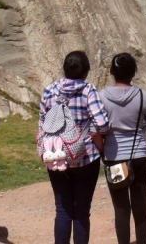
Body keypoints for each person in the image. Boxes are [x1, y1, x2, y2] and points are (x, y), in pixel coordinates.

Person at [40, 51, 110, 244]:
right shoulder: (88, 90)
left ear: (64, 69)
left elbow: (42, 125)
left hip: (56, 157)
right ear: (86, 71)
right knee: (81, 212)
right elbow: (102, 125)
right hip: (86, 157)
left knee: (62, 210)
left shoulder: (50, 90)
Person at [100, 53, 146, 244]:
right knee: (140, 206)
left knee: (120, 208)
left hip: (114, 157)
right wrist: (142, 131)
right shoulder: (144, 96)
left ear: (111, 71)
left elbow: (95, 129)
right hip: (139, 156)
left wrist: (103, 149)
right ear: (134, 73)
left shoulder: (101, 96)